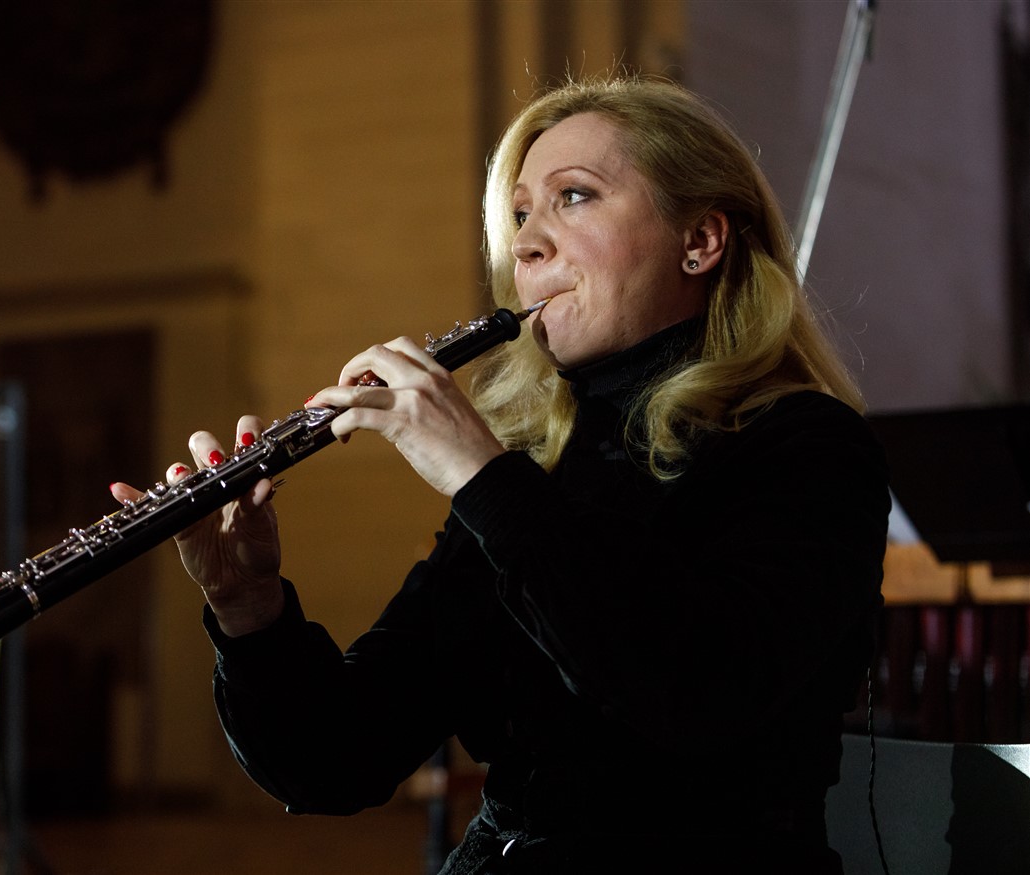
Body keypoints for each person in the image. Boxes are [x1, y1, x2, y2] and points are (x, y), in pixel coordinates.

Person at [112, 73, 890, 873]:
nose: (524, 244)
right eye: (519, 214)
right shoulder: (533, 471)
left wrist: (482, 475)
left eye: (573, 197)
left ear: (699, 240)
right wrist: (249, 607)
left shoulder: (807, 447)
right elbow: (336, 760)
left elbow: (694, 693)